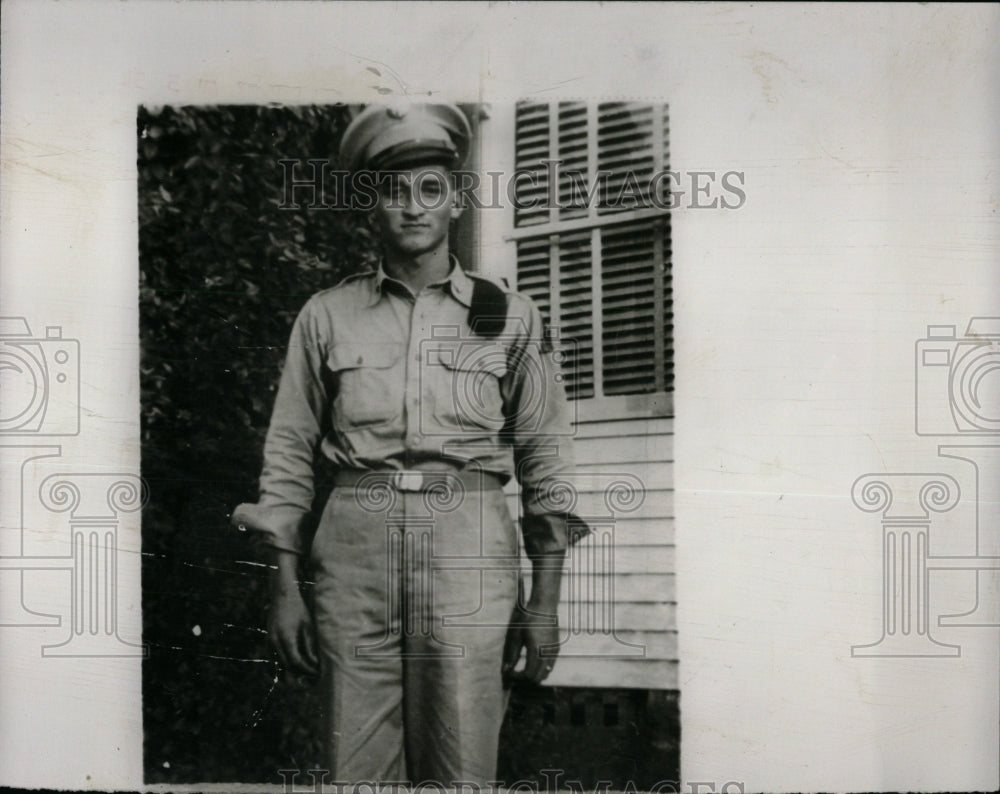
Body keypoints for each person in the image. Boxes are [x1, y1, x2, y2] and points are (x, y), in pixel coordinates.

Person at [232, 101, 580, 785]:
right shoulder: (326, 316)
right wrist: (284, 586)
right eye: (395, 191)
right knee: (356, 766)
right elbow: (288, 454)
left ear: (455, 202)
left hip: (467, 547)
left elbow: (547, 460)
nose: (413, 208)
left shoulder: (509, 316)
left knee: (460, 762)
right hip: (354, 554)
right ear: (371, 206)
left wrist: (544, 604)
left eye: (431, 190)